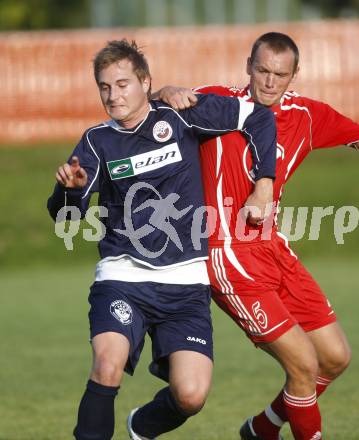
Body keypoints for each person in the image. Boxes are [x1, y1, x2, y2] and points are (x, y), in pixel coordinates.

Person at [156, 32, 359, 440]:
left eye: (280, 74)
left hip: (272, 247)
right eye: (262, 70)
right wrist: (164, 91)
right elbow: (150, 109)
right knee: (303, 366)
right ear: (248, 66)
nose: (270, 82)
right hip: (227, 252)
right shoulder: (217, 102)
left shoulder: (305, 115)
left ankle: (261, 429)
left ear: (295, 75)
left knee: (333, 357)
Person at [47, 39, 277, 440]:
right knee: (107, 363)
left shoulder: (179, 114)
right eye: (104, 86)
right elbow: (67, 215)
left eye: (122, 84)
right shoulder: (97, 142)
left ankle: (142, 425)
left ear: (145, 83)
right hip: (123, 277)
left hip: (185, 285)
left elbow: (257, 117)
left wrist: (264, 185)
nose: (113, 95)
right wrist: (70, 190)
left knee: (191, 395)